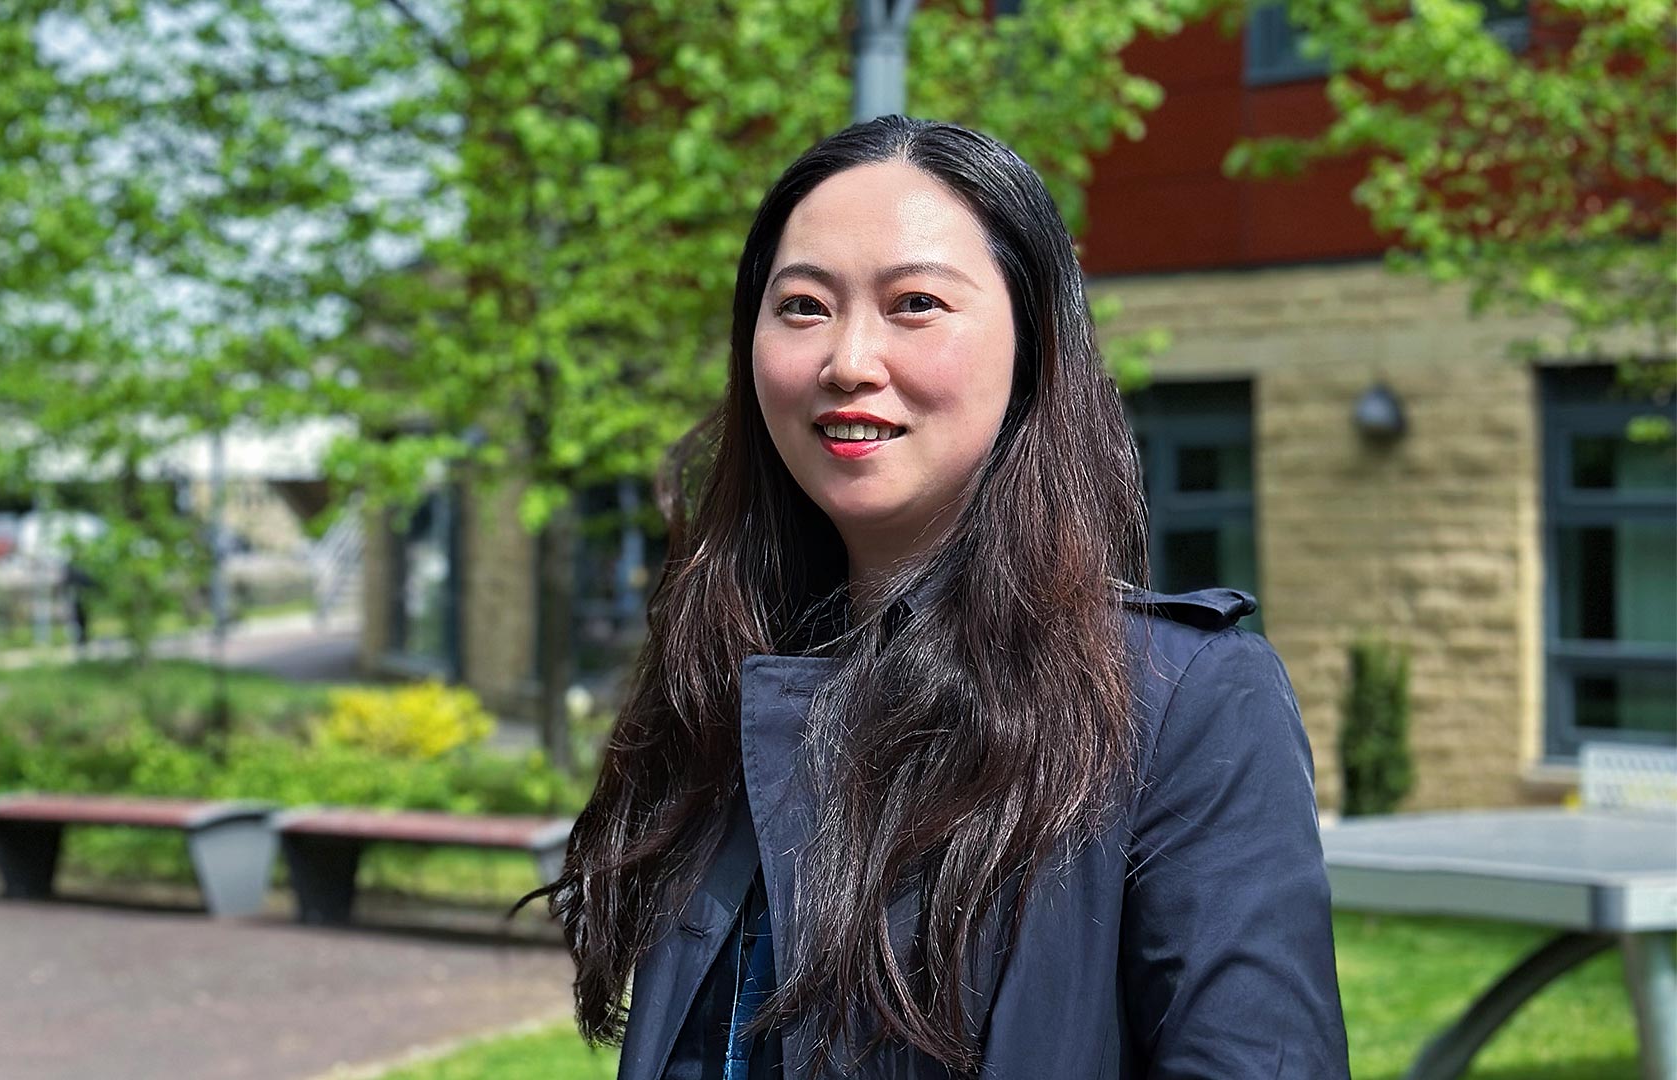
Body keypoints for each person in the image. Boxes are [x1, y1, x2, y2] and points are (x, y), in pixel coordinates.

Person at [535, 117, 1349, 1079]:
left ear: (1033, 345)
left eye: (915, 303)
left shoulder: (1180, 703)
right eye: (802, 306)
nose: (848, 360)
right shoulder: (726, 682)